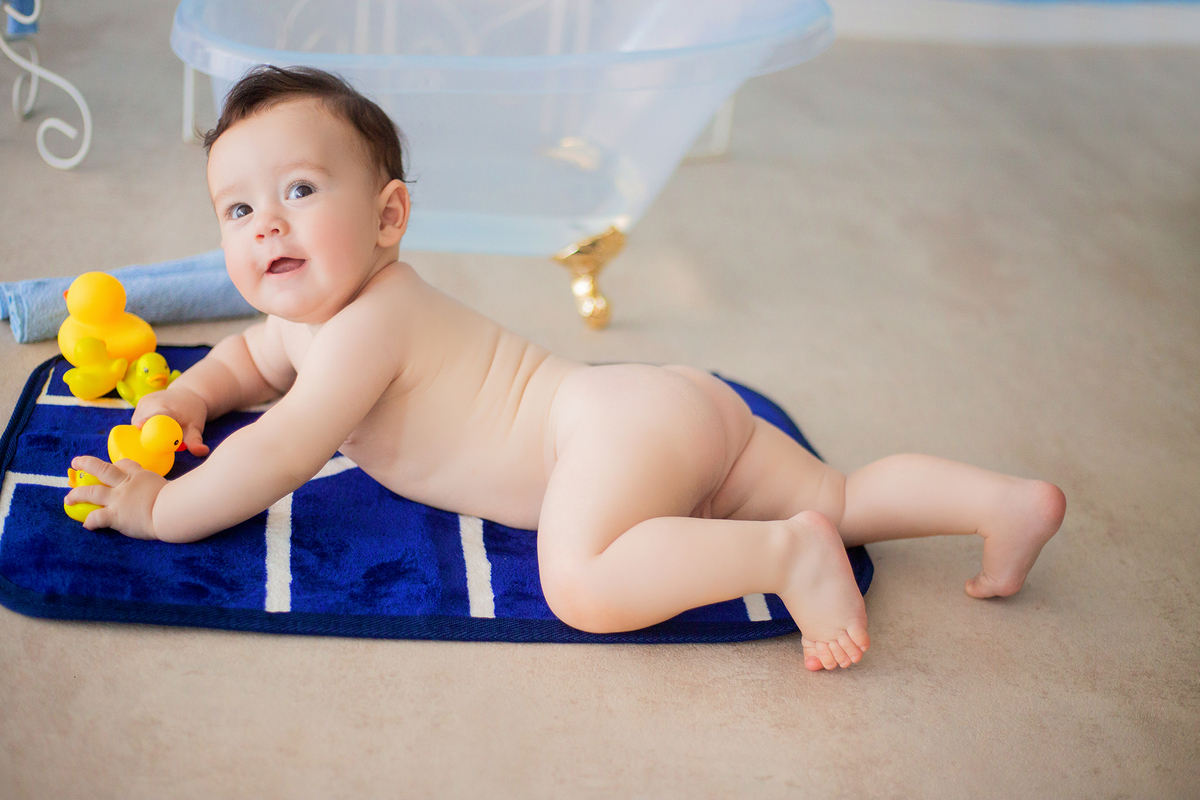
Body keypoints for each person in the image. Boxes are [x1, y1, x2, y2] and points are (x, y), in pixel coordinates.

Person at [66, 66, 1066, 672]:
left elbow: (281, 449)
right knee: (843, 491)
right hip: (661, 404)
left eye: (297, 188)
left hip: (603, 437)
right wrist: (192, 391)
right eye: (237, 210)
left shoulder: (373, 319)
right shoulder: (304, 320)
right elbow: (249, 361)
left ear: (388, 218)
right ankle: (1001, 501)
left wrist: (161, 510)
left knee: (583, 582)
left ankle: (785, 555)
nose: (265, 223)